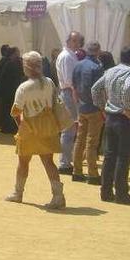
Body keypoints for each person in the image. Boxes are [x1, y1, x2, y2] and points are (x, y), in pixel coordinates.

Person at [4, 51, 66, 209]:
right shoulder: (49, 82)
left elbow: (16, 111)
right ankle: (58, 196)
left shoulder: (24, 87)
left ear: (26, 67)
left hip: (30, 126)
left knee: (23, 161)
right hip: (48, 125)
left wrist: (21, 128)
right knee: (49, 162)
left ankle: (18, 193)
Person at [91, 46, 130, 205]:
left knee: (110, 155)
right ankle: (121, 193)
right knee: (123, 156)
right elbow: (128, 89)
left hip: (111, 117)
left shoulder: (110, 71)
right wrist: (127, 108)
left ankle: (105, 191)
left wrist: (102, 107)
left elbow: (95, 89)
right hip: (124, 118)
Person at [71, 41, 105, 184]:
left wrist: (77, 102)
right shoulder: (97, 67)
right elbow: (98, 90)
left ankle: (77, 171)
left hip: (82, 107)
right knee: (92, 142)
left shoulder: (78, 65)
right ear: (97, 51)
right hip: (94, 108)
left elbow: (73, 86)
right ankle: (92, 173)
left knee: (79, 140)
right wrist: (102, 108)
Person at [55, 31, 84, 174]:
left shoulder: (70, 55)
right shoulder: (67, 57)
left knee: (70, 129)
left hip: (69, 92)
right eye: (75, 41)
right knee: (69, 129)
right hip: (69, 93)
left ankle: (67, 160)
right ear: (69, 41)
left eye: (79, 41)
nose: (78, 43)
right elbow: (68, 80)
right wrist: (75, 95)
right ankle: (64, 163)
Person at [0, 47, 24, 135]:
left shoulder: (9, 63)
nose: (19, 54)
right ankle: (10, 127)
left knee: (7, 109)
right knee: (9, 109)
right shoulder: (12, 64)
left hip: (9, 90)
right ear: (13, 54)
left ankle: (7, 127)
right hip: (11, 90)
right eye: (17, 53)